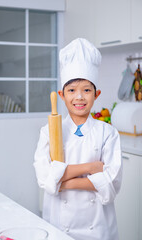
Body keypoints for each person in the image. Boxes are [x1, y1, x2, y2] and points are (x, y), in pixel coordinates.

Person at [34, 38, 122, 240]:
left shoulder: (108, 133)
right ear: (61, 95)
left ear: (97, 94)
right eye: (72, 90)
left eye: (87, 90)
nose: (79, 97)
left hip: (99, 229)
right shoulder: (48, 131)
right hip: (58, 226)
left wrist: (61, 182)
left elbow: (111, 184)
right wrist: (90, 168)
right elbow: (44, 178)